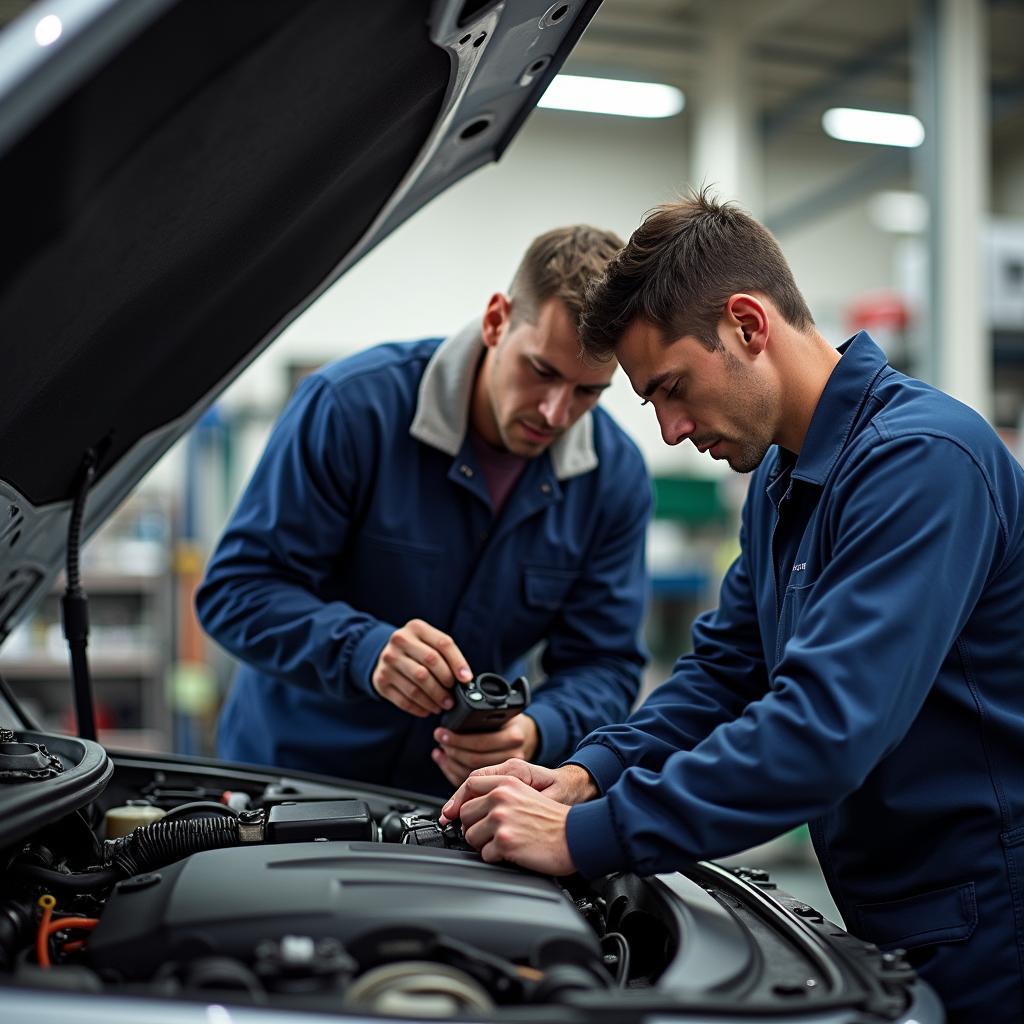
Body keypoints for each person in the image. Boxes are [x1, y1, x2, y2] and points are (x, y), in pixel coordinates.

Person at [441, 190, 1024, 1022]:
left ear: (749, 324)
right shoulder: (783, 481)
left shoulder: (923, 464)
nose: (672, 431)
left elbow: (823, 730)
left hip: (993, 917)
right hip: (897, 904)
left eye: (673, 387)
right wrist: (582, 776)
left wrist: (584, 838)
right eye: (651, 403)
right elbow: (723, 677)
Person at [195, 225, 651, 797]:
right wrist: (364, 649)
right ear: (496, 320)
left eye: (589, 392)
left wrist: (538, 731)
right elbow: (236, 592)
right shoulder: (351, 411)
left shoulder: (614, 478)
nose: (556, 413)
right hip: (292, 782)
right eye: (542, 372)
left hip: (450, 807)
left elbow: (604, 663)